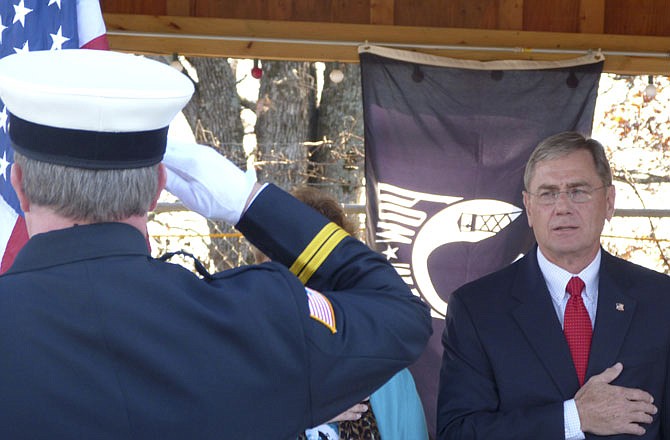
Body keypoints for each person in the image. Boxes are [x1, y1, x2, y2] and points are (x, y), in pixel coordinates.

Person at [0, 49, 432, 439]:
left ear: (18, 185)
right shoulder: (254, 319)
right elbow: (399, 316)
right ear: (158, 189)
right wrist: (251, 204)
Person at [437, 131, 670, 439]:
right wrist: (573, 418)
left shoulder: (661, 300)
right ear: (529, 208)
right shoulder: (477, 309)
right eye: (547, 193)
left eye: (578, 191)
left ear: (609, 201)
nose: (562, 207)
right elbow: (458, 432)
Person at [252, 186, 429, 440]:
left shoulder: (385, 376)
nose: (301, 287)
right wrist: (293, 414)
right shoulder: (239, 360)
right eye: (285, 265)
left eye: (314, 270)